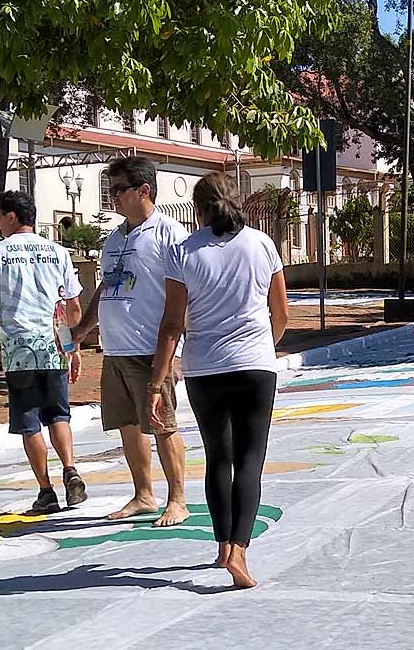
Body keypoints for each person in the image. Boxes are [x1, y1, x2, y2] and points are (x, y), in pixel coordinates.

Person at [148, 172, 289, 589]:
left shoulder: (183, 252)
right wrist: (264, 344)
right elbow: (280, 314)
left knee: (218, 457)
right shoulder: (263, 245)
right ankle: (240, 552)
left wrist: (157, 383)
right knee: (249, 459)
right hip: (254, 366)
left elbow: (172, 323)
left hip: (204, 368)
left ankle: (222, 544)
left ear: (199, 208)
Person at [70, 156, 190, 527]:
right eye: (111, 191)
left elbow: (187, 290)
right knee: (128, 424)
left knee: (162, 424)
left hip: (151, 349)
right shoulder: (115, 239)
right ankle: (143, 494)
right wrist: (81, 334)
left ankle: (178, 499)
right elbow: (106, 287)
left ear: (144, 190)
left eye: (120, 190)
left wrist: (177, 343)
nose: (114, 198)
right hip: (116, 349)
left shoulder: (169, 234)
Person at [0, 191, 87, 513]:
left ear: (11, 216)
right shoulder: (58, 252)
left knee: (29, 419)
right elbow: (72, 304)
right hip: (54, 341)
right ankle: (70, 468)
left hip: (19, 344)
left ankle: (46, 489)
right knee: (58, 413)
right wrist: (73, 346)